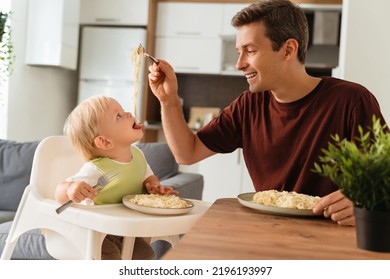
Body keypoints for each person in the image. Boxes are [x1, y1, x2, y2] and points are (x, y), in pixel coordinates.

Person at [148, 0, 388, 227]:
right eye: (238, 51)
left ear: (288, 50)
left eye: (250, 50)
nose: (239, 63)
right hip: (268, 230)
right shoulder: (248, 106)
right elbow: (186, 152)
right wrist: (168, 101)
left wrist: (361, 200)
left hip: (331, 235)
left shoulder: (351, 101)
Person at [55, 95, 178, 260]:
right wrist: (71, 190)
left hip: (126, 229)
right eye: (118, 116)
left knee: (147, 255)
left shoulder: (138, 155)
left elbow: (148, 176)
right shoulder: (97, 168)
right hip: (99, 232)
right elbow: (60, 192)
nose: (128, 114)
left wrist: (155, 187)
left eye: (123, 111)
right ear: (105, 142)